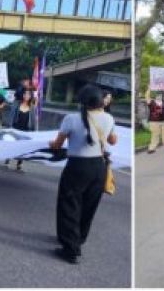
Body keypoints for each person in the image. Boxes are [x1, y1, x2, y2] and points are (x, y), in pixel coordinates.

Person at [49, 85, 117, 264]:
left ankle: (70, 249)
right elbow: (112, 140)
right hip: (98, 167)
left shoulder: (71, 119)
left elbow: (57, 144)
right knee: (89, 206)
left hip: (77, 167)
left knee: (69, 205)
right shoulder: (108, 118)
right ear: (101, 101)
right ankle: (78, 238)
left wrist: (51, 144)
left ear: (82, 101)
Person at [7, 89, 36, 172]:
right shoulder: (16, 104)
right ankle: (8, 159)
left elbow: (33, 121)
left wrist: (34, 132)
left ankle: (19, 163)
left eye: (28, 95)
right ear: (22, 95)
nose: (26, 96)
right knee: (12, 145)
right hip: (16, 128)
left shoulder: (32, 107)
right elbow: (11, 116)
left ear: (31, 96)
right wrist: (10, 126)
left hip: (25, 130)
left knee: (22, 147)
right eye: (25, 94)